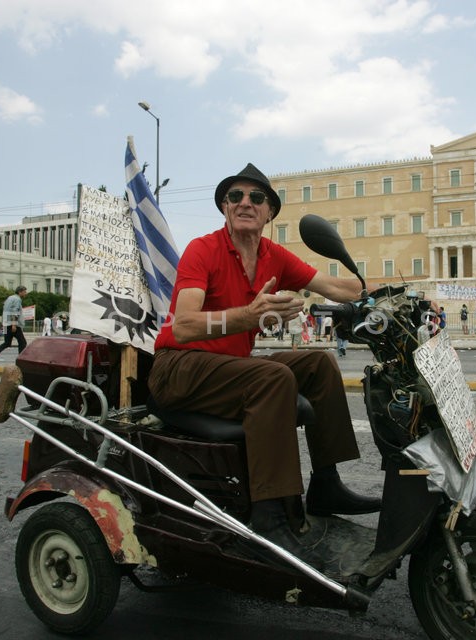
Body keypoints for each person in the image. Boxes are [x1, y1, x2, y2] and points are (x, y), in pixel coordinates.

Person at [147, 163, 379, 562]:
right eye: (234, 196)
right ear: (224, 207)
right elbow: (183, 325)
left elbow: (336, 287)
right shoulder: (203, 249)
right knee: (272, 377)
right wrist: (247, 317)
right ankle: (269, 517)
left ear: (270, 211)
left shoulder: (274, 256)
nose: (245, 203)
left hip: (228, 371)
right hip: (178, 368)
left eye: (256, 197)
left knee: (319, 365)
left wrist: (394, 292)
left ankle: (326, 483)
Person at [0, 286, 28, 362]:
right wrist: (14, 324)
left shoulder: (9, 298)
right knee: (22, 342)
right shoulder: (17, 299)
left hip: (5, 324)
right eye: (24, 292)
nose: (26, 293)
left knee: (7, 343)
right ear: (20, 292)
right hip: (13, 324)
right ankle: (21, 360)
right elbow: (14, 311)